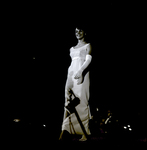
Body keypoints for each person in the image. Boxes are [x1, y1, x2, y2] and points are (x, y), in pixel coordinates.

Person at [59, 25, 92, 141]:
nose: (78, 33)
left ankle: (85, 132)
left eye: (80, 30)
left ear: (85, 32)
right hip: (71, 75)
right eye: (76, 31)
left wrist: (81, 71)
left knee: (82, 102)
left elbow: (88, 60)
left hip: (81, 75)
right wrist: (70, 77)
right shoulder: (72, 49)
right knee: (67, 102)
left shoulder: (88, 46)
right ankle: (64, 130)